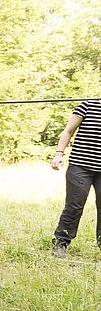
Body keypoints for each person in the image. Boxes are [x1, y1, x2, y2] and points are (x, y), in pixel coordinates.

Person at [50, 99, 101, 257]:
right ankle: (61, 243)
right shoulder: (88, 105)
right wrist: (59, 154)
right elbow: (68, 131)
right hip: (80, 166)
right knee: (74, 206)